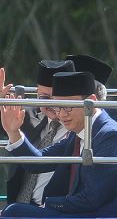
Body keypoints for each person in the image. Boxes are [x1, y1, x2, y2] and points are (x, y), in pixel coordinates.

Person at [1, 71, 117, 217]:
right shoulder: (80, 131)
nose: (61, 115)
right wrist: (13, 131)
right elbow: (38, 161)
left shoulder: (110, 135)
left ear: (91, 102)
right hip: (88, 216)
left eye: (68, 106)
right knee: (12, 211)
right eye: (58, 107)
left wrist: (47, 204)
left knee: (14, 213)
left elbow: (91, 200)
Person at [3, 61, 75, 206]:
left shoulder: (79, 126)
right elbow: (6, 124)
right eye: (44, 98)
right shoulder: (24, 114)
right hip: (17, 205)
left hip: (55, 211)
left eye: (58, 99)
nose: (52, 104)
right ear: (36, 94)